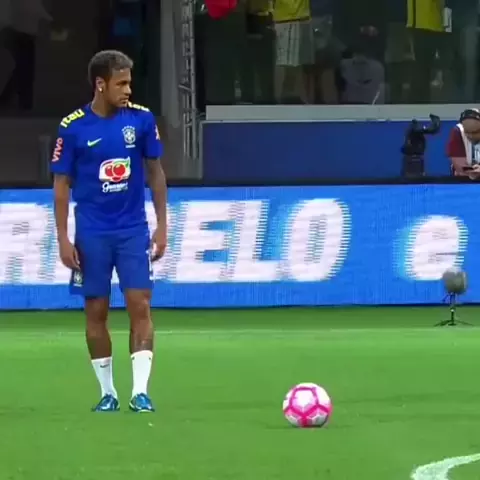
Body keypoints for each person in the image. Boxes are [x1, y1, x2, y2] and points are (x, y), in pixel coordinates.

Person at [50, 50, 167, 413]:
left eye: (129, 83)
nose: (128, 90)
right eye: (121, 83)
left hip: (132, 230)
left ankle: (140, 392)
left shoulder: (142, 120)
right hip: (92, 234)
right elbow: (61, 185)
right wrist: (63, 238)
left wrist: (162, 226)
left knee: (140, 304)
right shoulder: (73, 127)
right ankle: (108, 393)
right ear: (100, 84)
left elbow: (156, 174)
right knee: (95, 311)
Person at [446, 108, 480, 179]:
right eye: (467, 132)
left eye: (475, 132)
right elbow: (460, 166)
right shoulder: (457, 131)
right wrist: (473, 170)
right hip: (464, 181)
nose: (470, 136)